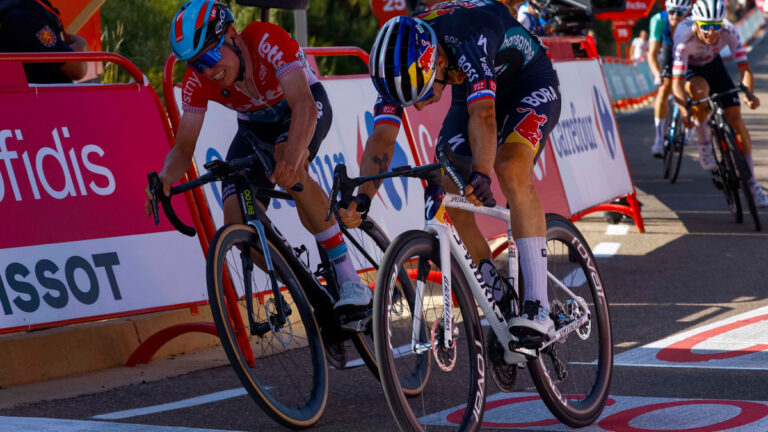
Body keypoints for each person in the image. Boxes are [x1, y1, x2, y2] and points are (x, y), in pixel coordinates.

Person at [340, 0, 562, 345]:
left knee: (510, 167)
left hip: (528, 82)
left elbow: (485, 116)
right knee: (450, 188)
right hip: (473, 90)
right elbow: (383, 139)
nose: (419, 105)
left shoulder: (471, 36)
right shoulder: (400, 61)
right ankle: (496, 289)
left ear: (439, 62)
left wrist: (483, 173)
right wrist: (363, 198)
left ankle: (538, 307)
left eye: (425, 92)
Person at [144, 0, 372, 314]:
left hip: (303, 107)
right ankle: (305, 288)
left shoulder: (265, 40)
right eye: (197, 65)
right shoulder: (199, 81)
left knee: (289, 165)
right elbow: (183, 148)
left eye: (211, 56)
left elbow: (304, 105)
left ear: (233, 36)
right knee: (235, 224)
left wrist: (292, 158)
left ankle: (350, 281)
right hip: (255, 126)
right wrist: (164, 179)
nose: (209, 71)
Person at [671, 0, 768, 206]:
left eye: (717, 25)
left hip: (714, 66)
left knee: (737, 120)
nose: (712, 32)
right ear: (695, 23)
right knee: (701, 91)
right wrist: (683, 109)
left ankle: (752, 183)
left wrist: (749, 94)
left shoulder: (730, 32)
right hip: (691, 70)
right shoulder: (683, 37)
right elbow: (677, 83)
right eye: (706, 26)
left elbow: (744, 67)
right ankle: (704, 140)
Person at [0, 0, 88, 83]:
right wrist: (82, 45)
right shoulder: (26, 15)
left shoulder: (17, 8)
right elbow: (77, 69)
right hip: (43, 96)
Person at [647, 0, 692, 158]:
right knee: (664, 88)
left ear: (687, 13)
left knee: (691, 85)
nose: (675, 16)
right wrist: (657, 75)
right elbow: (652, 53)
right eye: (671, 11)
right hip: (668, 48)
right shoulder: (659, 20)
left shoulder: (693, 20)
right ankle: (659, 139)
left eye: (680, 13)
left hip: (688, 49)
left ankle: (689, 126)